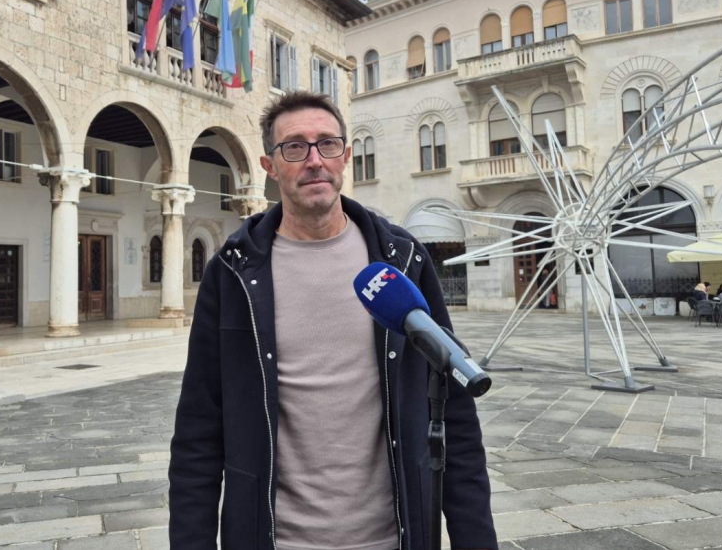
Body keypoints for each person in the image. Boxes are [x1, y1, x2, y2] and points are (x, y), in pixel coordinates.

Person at [168, 91, 498, 550]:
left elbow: (455, 418)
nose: (314, 160)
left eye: (327, 144)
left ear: (346, 157)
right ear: (269, 165)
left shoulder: (402, 262)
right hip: (274, 540)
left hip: (395, 537)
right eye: (294, 147)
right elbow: (198, 434)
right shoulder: (231, 274)